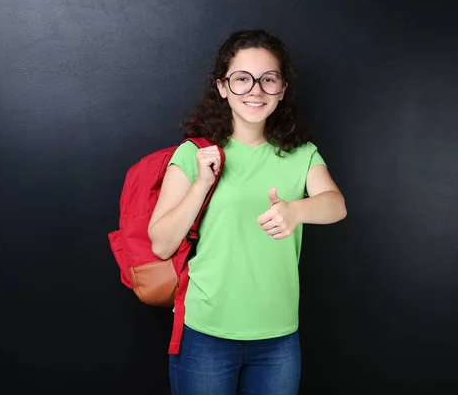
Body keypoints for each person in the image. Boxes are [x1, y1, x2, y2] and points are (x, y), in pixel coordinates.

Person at [148, 29, 347, 395]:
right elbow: (160, 244)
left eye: (268, 79)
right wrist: (201, 185)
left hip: (277, 337)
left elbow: (336, 205)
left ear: (282, 89)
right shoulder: (194, 154)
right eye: (242, 79)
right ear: (223, 87)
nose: (255, 90)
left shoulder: (302, 154)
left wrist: (296, 210)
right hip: (205, 333)